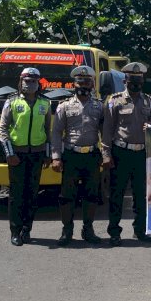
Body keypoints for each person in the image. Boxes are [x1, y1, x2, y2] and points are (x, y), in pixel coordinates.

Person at [102, 62, 151, 246]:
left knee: (141, 195)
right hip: (121, 153)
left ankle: (140, 230)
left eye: (139, 80)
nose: (136, 83)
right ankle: (114, 232)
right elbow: (108, 129)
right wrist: (106, 154)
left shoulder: (149, 101)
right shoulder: (114, 100)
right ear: (125, 80)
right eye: (133, 80)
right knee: (117, 193)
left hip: (141, 153)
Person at [51, 65, 104, 246]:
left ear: (92, 84)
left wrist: (106, 155)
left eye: (87, 82)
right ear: (74, 84)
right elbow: (56, 133)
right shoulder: (64, 106)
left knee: (91, 195)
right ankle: (67, 231)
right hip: (71, 156)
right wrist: (56, 157)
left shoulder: (99, 106)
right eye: (80, 81)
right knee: (67, 196)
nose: (83, 84)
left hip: (91, 155)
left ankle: (88, 230)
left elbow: (105, 133)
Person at [0, 67, 51, 246]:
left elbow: (48, 131)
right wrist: (10, 153)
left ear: (39, 84)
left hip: (36, 155)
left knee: (32, 194)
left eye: (34, 81)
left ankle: (27, 229)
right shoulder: (11, 102)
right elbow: (3, 129)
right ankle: (15, 231)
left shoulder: (45, 103)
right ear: (20, 82)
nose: (30, 84)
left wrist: (47, 155)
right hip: (17, 156)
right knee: (16, 195)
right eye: (27, 81)